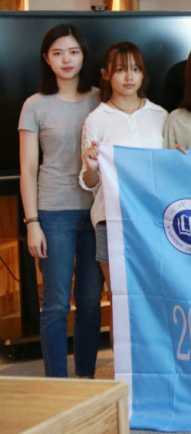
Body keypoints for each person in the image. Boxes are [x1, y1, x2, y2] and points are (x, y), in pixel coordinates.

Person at [18, 24, 102, 378]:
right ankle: (57, 384)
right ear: (47, 59)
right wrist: (32, 223)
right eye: (57, 53)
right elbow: (27, 169)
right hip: (53, 212)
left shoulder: (101, 99)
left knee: (90, 301)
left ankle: (86, 379)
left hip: (97, 211)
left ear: (83, 56)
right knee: (55, 303)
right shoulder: (35, 105)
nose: (66, 60)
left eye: (73, 52)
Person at [80, 42, 168, 264]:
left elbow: (168, 170)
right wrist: (91, 169)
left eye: (135, 69)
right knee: (116, 286)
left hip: (155, 217)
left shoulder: (160, 115)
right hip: (111, 219)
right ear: (105, 74)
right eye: (120, 70)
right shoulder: (96, 119)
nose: (129, 77)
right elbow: (90, 183)